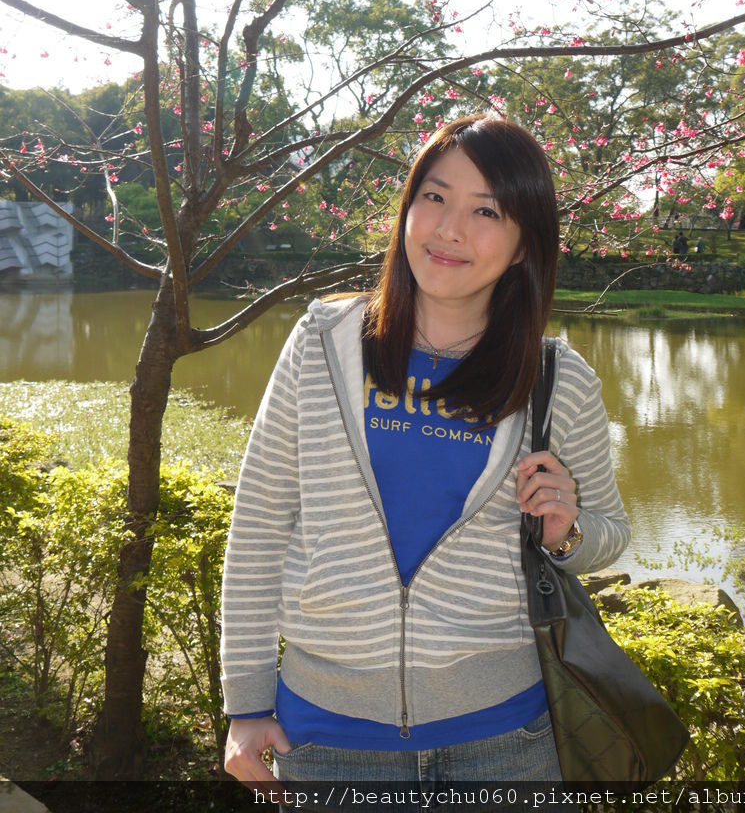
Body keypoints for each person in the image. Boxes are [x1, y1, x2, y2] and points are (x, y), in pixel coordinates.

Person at [221, 113, 630, 785]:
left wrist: (567, 531)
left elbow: (609, 531)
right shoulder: (323, 343)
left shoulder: (557, 379)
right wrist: (245, 702)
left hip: (509, 740)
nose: (449, 229)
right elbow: (260, 524)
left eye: (486, 211)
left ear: (524, 246)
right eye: (435, 197)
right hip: (326, 738)